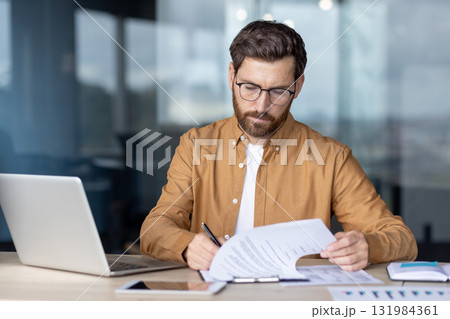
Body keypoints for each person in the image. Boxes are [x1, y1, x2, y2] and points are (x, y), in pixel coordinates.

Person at [140, 20, 417, 272]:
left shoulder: (332, 158)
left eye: (278, 91)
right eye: (249, 87)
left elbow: (401, 239)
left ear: (297, 87)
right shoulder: (196, 145)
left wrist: (367, 247)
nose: (261, 106)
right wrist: (188, 247)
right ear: (230, 76)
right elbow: (154, 229)